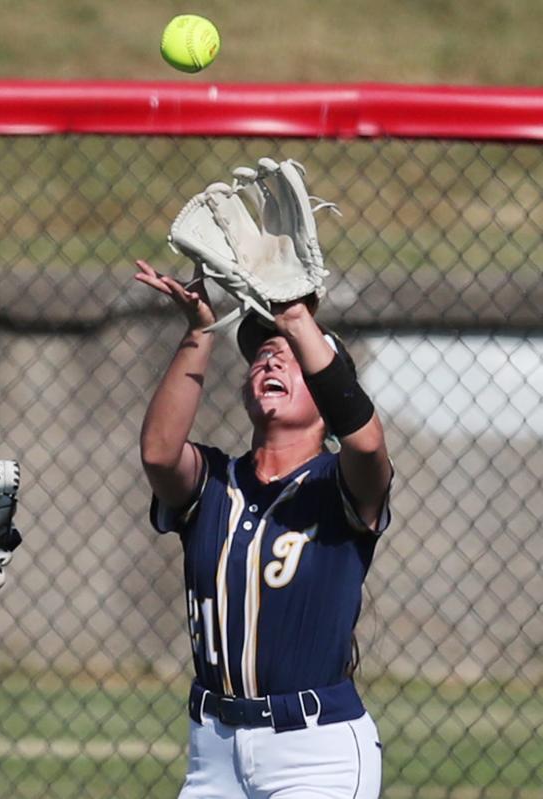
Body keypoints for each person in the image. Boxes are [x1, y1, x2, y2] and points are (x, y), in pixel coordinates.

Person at [134, 260, 392, 799]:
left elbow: (366, 443)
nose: (271, 356)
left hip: (315, 751)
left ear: (328, 396)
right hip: (213, 749)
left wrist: (299, 321)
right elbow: (159, 454)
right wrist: (200, 330)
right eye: (261, 354)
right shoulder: (215, 482)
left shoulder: (337, 484)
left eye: (293, 356)